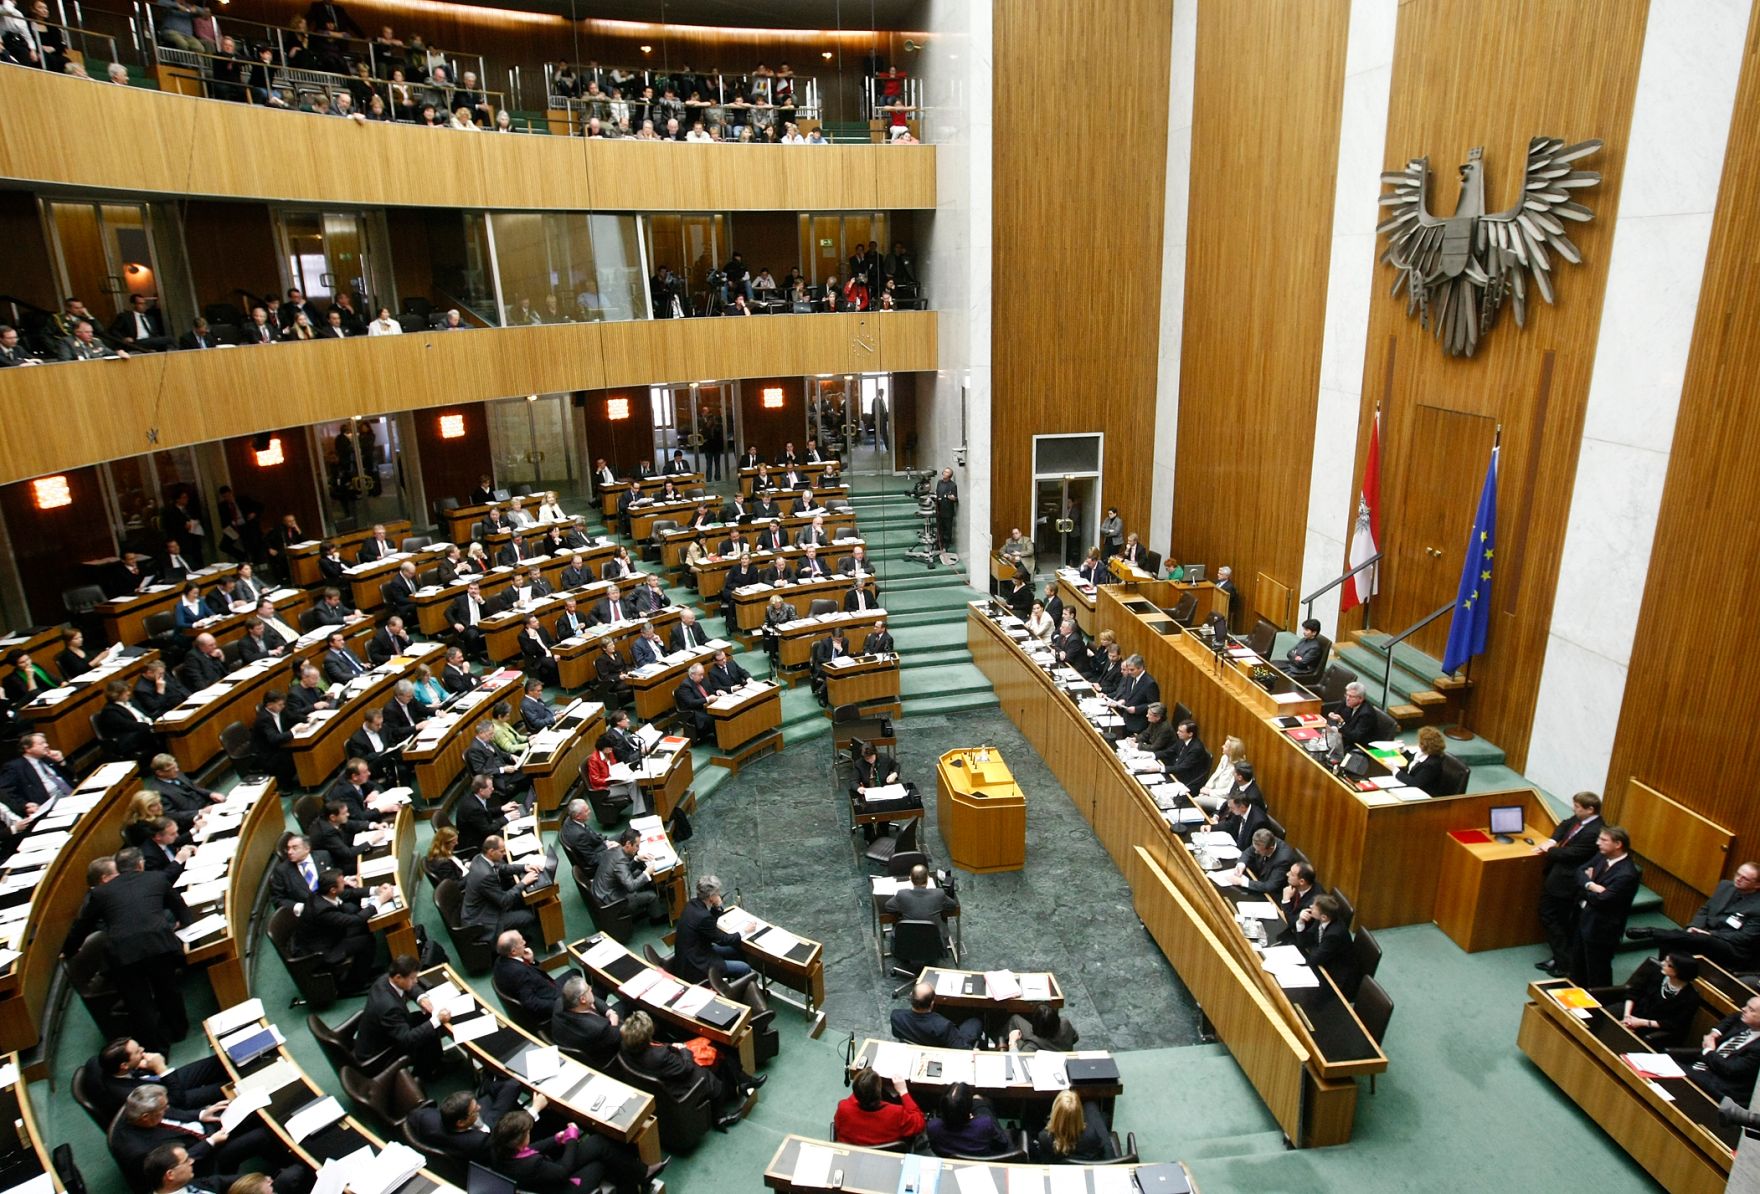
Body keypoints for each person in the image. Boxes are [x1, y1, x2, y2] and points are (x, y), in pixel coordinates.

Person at [65, 848, 192, 1051]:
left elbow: (82, 925)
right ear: (140, 864)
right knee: (168, 990)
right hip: (158, 945)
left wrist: (68, 950)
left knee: (139, 1003)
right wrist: (185, 923)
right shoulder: (156, 878)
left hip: (123, 955)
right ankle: (179, 1031)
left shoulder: (100, 892)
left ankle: (157, 1047)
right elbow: (179, 904)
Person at [618, 1010, 757, 1130]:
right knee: (711, 1066)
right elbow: (687, 1067)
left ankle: (742, 1081)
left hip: (662, 1078)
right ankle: (720, 1116)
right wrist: (684, 1050)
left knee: (714, 1052)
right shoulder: (659, 1056)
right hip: (677, 1086)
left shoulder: (626, 1047)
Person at [487, 1106, 651, 1194]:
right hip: (562, 1188)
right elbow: (563, 1171)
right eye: (528, 1133)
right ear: (518, 1143)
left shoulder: (498, 1149)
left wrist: (557, 1139)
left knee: (598, 1143)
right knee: (601, 1162)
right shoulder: (532, 1164)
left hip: (545, 1175)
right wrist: (572, 1139)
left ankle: (643, 1174)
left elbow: (529, 1149)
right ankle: (633, 1185)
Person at [1534, 791, 1605, 977]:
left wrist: (1548, 849)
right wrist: (1552, 840)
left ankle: (1564, 963)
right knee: (1553, 917)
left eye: (1577, 807)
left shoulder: (1594, 831)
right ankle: (1559, 958)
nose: (1574, 810)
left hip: (1566, 883)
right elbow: (1564, 825)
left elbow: (1571, 854)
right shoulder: (1580, 819)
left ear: (1590, 809)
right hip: (1557, 876)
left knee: (1552, 917)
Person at [83, 1037, 229, 1127]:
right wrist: (160, 1068)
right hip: (167, 1101)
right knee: (223, 1088)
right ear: (124, 1066)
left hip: (154, 1082)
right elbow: (176, 1101)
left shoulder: (99, 1062)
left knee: (215, 1063)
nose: (142, 1050)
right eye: (137, 1052)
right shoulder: (129, 1095)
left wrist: (140, 1068)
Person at [294, 868, 385, 993]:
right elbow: (356, 920)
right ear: (333, 889)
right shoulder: (322, 911)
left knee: (364, 928)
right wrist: (380, 901)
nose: (346, 884)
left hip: (328, 936)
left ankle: (364, 969)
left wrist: (376, 890)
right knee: (366, 941)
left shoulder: (321, 893)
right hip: (321, 952)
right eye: (343, 883)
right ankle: (355, 984)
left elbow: (350, 893)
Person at [1573, 826, 1641, 987]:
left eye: (1603, 840)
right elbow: (1579, 871)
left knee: (1597, 972)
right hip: (1585, 919)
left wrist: (1586, 888)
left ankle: (1599, 1006)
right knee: (1578, 965)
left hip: (1602, 930)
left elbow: (1603, 900)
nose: (1598, 843)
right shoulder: (1602, 857)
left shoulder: (1627, 874)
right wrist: (1591, 885)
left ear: (1618, 844)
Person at [1611, 954, 1702, 1048]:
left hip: (1652, 1028)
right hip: (1632, 1013)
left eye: (1668, 964)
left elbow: (1673, 1024)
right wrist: (1627, 1016)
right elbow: (1633, 993)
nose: (1662, 964)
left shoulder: (1691, 998)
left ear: (1679, 971)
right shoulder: (1655, 972)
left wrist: (1640, 1022)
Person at [464, 836, 546, 940]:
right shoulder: (485, 876)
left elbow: (501, 868)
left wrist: (524, 867)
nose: (505, 853)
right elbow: (504, 900)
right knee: (528, 916)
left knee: (521, 899)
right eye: (502, 851)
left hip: (485, 904)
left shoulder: (479, 858)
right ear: (491, 851)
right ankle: (513, 939)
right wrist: (523, 882)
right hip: (484, 918)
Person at [673, 874, 749, 981]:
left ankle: (736, 985)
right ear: (711, 897)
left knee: (735, 951)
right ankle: (737, 994)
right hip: (696, 963)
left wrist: (716, 907)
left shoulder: (692, 904)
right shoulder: (703, 917)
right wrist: (744, 931)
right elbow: (722, 940)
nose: (719, 895)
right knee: (744, 968)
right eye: (717, 893)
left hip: (693, 952)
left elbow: (708, 922)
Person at [1685, 996, 1760, 1105]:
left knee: (1672, 1071)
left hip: (1721, 1085)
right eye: (1746, 1005)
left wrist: (1709, 1051)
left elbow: (1730, 1069)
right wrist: (1714, 1034)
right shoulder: (1744, 1022)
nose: (1744, 1009)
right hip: (1704, 1068)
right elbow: (1734, 1016)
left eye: (1751, 1009)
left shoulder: (1758, 1048)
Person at [834, 1067, 924, 1147]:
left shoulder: (843, 1108)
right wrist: (903, 1091)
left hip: (853, 1155)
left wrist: (862, 1086)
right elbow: (919, 1123)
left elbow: (838, 1127)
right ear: (879, 1092)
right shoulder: (895, 1113)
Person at [592, 828, 667, 925]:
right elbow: (631, 886)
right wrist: (647, 873)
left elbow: (622, 871)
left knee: (638, 872)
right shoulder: (620, 861)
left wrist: (637, 859)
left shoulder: (614, 850)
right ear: (628, 844)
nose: (638, 849)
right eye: (636, 846)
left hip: (602, 891)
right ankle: (657, 919)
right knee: (652, 896)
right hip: (612, 901)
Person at [924, 1081, 1012, 1159]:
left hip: (948, 1159)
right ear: (970, 1107)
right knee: (982, 1103)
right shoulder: (984, 1124)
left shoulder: (933, 1127)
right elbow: (1003, 1144)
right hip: (982, 1159)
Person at [550, 973, 620, 1068]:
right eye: (589, 989)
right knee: (625, 1005)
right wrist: (613, 1019)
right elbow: (616, 1036)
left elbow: (592, 999)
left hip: (580, 1045)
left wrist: (607, 1010)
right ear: (583, 999)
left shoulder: (560, 1003)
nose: (591, 988)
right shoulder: (597, 1028)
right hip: (603, 1057)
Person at [491, 929, 561, 1018]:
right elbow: (531, 1003)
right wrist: (561, 1005)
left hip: (542, 986)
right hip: (550, 998)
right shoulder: (519, 973)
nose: (524, 942)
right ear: (513, 951)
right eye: (521, 942)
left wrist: (531, 961)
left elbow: (534, 975)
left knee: (574, 973)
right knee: (576, 979)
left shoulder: (499, 960)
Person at [465, 719, 535, 808]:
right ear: (482, 733)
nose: (493, 736)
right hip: (497, 777)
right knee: (529, 774)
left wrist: (511, 756)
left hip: (504, 768)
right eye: (490, 734)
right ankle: (532, 804)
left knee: (529, 767)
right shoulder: (474, 749)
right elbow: (480, 771)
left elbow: (500, 753)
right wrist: (502, 770)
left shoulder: (487, 740)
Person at [891, 981, 980, 1048]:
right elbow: (961, 1048)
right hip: (947, 1047)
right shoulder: (943, 1026)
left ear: (911, 996)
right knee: (975, 1022)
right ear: (932, 1003)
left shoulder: (896, 1016)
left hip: (919, 1044)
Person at [1031, 1090, 1114, 1163]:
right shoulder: (1092, 1135)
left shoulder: (1045, 1138)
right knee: (1092, 1107)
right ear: (1080, 1114)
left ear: (1055, 1113)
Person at [884, 864, 951, 942]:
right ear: (927, 878)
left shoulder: (902, 894)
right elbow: (952, 905)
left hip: (908, 943)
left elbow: (888, 906)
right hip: (936, 945)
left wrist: (904, 908)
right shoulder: (939, 894)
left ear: (910, 879)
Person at [1235, 827, 1299, 894]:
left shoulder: (1283, 860)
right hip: (1257, 879)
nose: (1256, 852)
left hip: (1272, 894)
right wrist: (1241, 864)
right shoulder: (1262, 841)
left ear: (1270, 848)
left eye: (1259, 851)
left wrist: (1242, 882)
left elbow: (1270, 886)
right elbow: (1248, 852)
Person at [1324, 681, 1380, 750]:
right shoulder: (1347, 702)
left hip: (1359, 747)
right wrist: (1333, 727)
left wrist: (1341, 722)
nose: (1347, 698)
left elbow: (1355, 737)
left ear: (1360, 699)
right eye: (1347, 695)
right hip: (1343, 739)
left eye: (1351, 696)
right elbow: (1334, 717)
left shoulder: (1366, 714)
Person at [1007, 1002, 1079, 1052]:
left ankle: (998, 1039)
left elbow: (1016, 1061)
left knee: (1014, 1019)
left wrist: (1012, 1042)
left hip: (1040, 1043)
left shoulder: (1032, 1046)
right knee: (1015, 1018)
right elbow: (1075, 1038)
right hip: (1059, 1046)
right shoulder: (1065, 1023)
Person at [673, 663, 713, 742]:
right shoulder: (685, 685)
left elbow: (710, 691)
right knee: (713, 718)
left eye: (703, 674)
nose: (702, 677)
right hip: (694, 712)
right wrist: (707, 699)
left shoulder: (702, 680)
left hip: (705, 706)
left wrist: (717, 692)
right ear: (692, 675)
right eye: (700, 675)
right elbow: (691, 702)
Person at [934, 468, 958, 550]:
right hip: (939, 508)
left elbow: (955, 498)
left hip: (947, 510)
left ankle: (946, 544)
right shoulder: (939, 482)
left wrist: (950, 497)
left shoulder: (953, 485)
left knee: (947, 528)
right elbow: (937, 492)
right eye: (944, 471)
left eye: (947, 472)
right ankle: (939, 543)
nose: (944, 473)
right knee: (939, 527)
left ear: (950, 475)